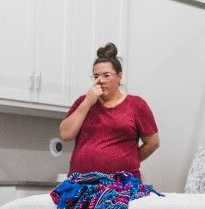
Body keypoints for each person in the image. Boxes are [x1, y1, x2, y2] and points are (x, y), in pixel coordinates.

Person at [58, 42, 159, 179]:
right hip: (82, 183)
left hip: (122, 185)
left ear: (119, 76)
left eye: (106, 75)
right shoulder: (84, 101)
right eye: (96, 76)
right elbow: (65, 134)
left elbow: (153, 143)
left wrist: (129, 160)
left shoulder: (136, 105)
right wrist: (88, 102)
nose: (100, 80)